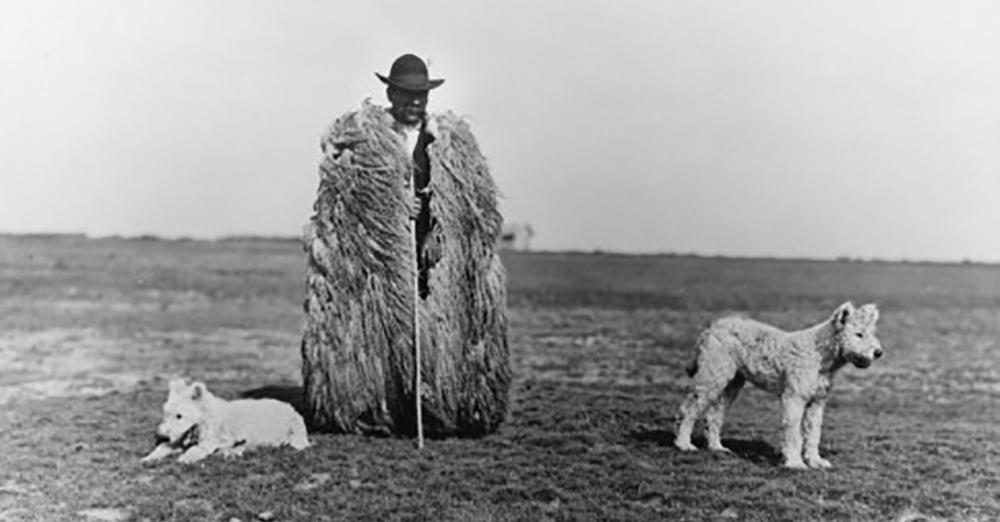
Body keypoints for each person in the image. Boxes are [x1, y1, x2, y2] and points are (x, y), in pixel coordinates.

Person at [376, 54, 443, 299]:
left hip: (428, 262)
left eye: (421, 95)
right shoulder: (372, 138)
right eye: (406, 93)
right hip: (383, 260)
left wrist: (437, 234)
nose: (415, 101)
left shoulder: (441, 140)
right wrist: (395, 203)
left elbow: (459, 203)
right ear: (390, 94)